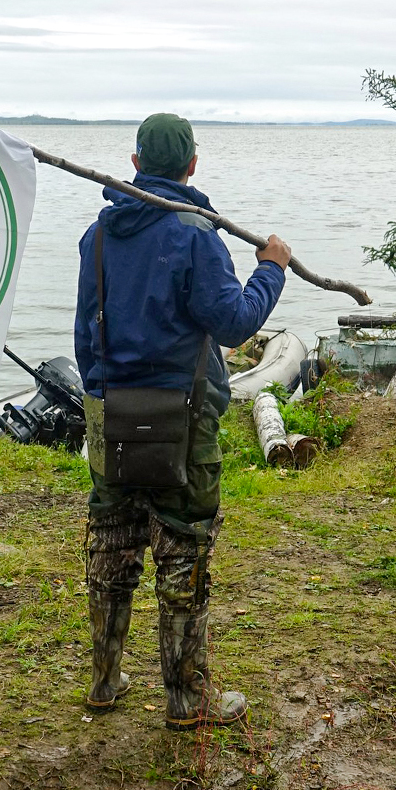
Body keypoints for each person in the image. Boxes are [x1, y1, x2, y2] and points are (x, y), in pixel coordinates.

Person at [73, 112, 291, 730]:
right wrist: (271, 267)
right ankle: (186, 699)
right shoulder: (197, 236)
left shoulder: (97, 236)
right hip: (184, 416)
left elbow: (85, 329)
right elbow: (234, 323)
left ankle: (105, 681)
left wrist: (97, 396)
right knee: (183, 547)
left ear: (136, 163)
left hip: (109, 410)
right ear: (192, 165)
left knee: (112, 544)